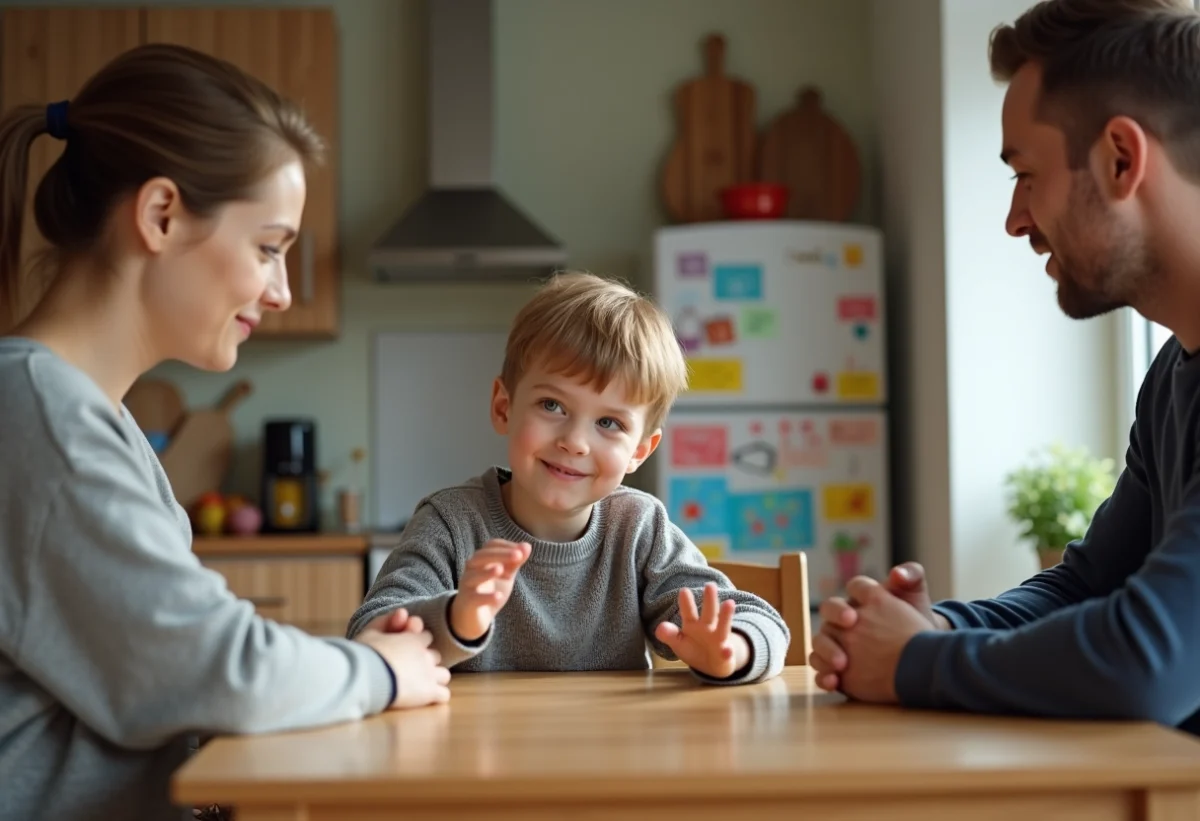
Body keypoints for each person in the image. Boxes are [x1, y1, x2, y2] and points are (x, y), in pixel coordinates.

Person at [0, 43, 451, 821]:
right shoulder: (43, 415)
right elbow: (215, 669)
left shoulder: (86, 414)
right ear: (161, 215)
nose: (279, 290)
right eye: (269, 248)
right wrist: (377, 671)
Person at [809, 0, 1200, 735]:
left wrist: (912, 660)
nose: (1015, 219)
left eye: (1027, 174)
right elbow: (1090, 583)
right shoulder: (1175, 373)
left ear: (1122, 158)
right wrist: (931, 626)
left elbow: (1151, 659)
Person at [348, 271, 790, 684]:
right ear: (504, 407)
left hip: (609, 760)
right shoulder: (450, 521)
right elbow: (370, 633)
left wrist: (730, 650)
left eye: (609, 424)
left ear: (639, 451)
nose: (575, 442)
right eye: (552, 406)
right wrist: (456, 617)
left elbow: (764, 623)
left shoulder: (639, 527)